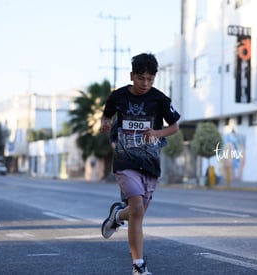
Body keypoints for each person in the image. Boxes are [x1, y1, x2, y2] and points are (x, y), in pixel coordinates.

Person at [100, 53, 181, 275]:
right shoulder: (118, 97)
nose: (145, 83)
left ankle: (117, 216)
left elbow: (174, 127)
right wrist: (105, 125)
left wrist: (156, 132)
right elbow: (106, 116)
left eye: (150, 79)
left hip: (150, 162)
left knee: (138, 212)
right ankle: (138, 266)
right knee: (136, 208)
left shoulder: (159, 99)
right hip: (125, 160)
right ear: (132, 76)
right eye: (141, 78)